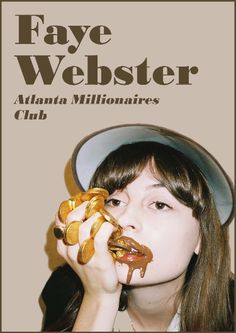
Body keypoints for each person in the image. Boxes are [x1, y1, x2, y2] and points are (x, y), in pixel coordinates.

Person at [41, 124, 234, 331]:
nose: (124, 220)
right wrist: (99, 297)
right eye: (114, 202)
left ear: (202, 238)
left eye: (160, 205)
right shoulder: (63, 291)